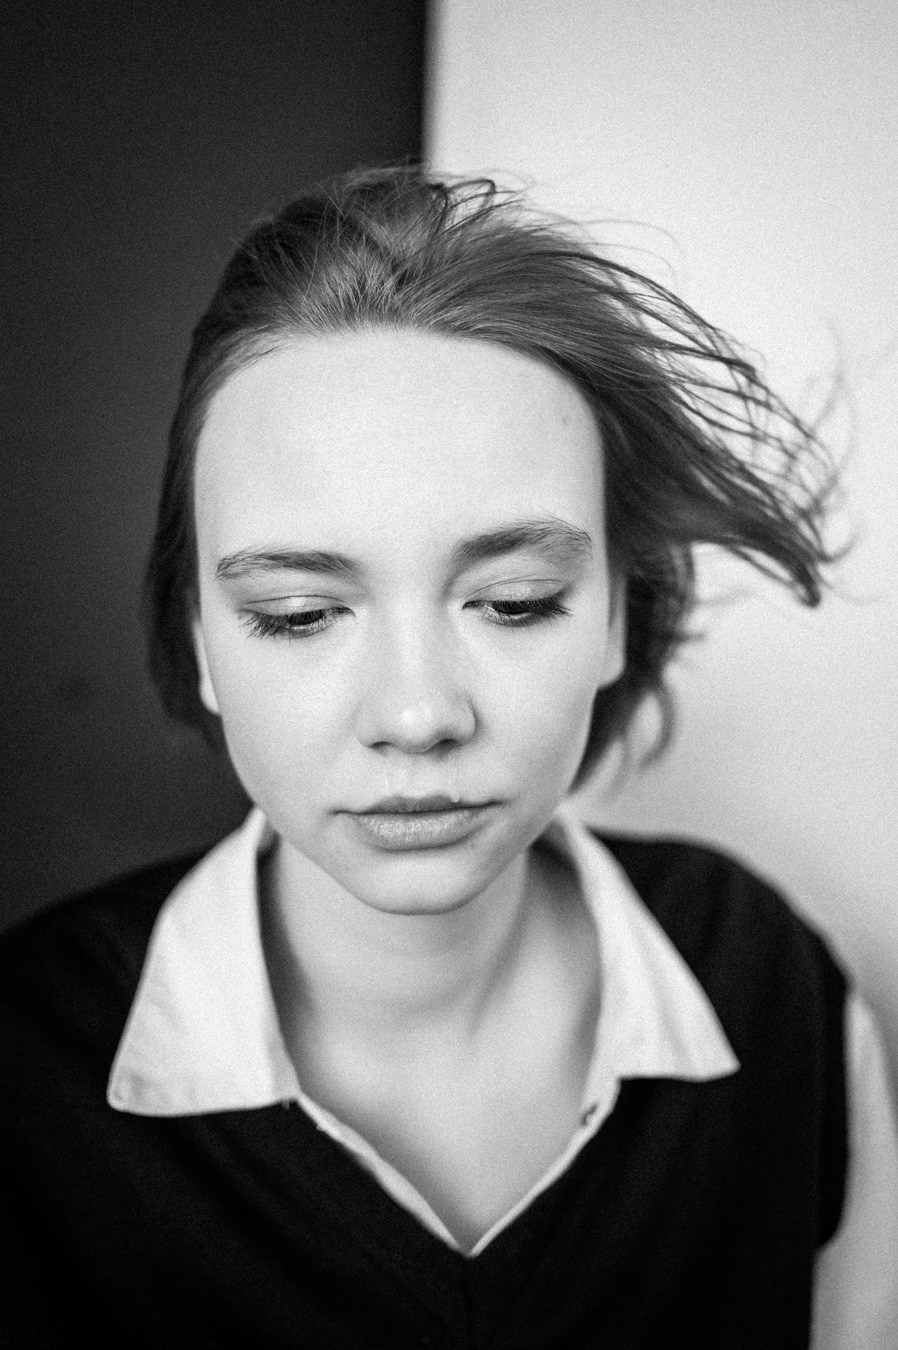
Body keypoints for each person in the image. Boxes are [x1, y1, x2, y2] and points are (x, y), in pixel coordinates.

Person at [1, 166, 895, 1349]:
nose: (418, 714)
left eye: (514, 602)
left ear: (615, 619)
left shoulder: (768, 982)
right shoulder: (23, 1061)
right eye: (299, 615)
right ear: (202, 641)